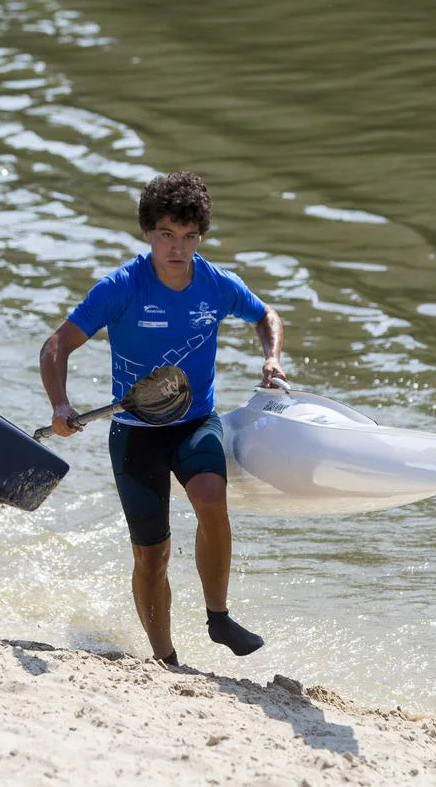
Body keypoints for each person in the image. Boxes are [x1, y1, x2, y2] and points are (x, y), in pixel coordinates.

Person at [38, 170, 285, 665]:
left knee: (212, 498)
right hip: (135, 432)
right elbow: (57, 344)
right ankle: (165, 659)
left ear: (201, 236)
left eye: (189, 236)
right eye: (167, 235)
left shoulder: (216, 284)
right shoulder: (122, 287)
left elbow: (265, 316)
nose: (178, 247)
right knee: (152, 554)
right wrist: (60, 406)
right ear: (149, 232)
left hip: (195, 422)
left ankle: (218, 618)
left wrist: (272, 357)